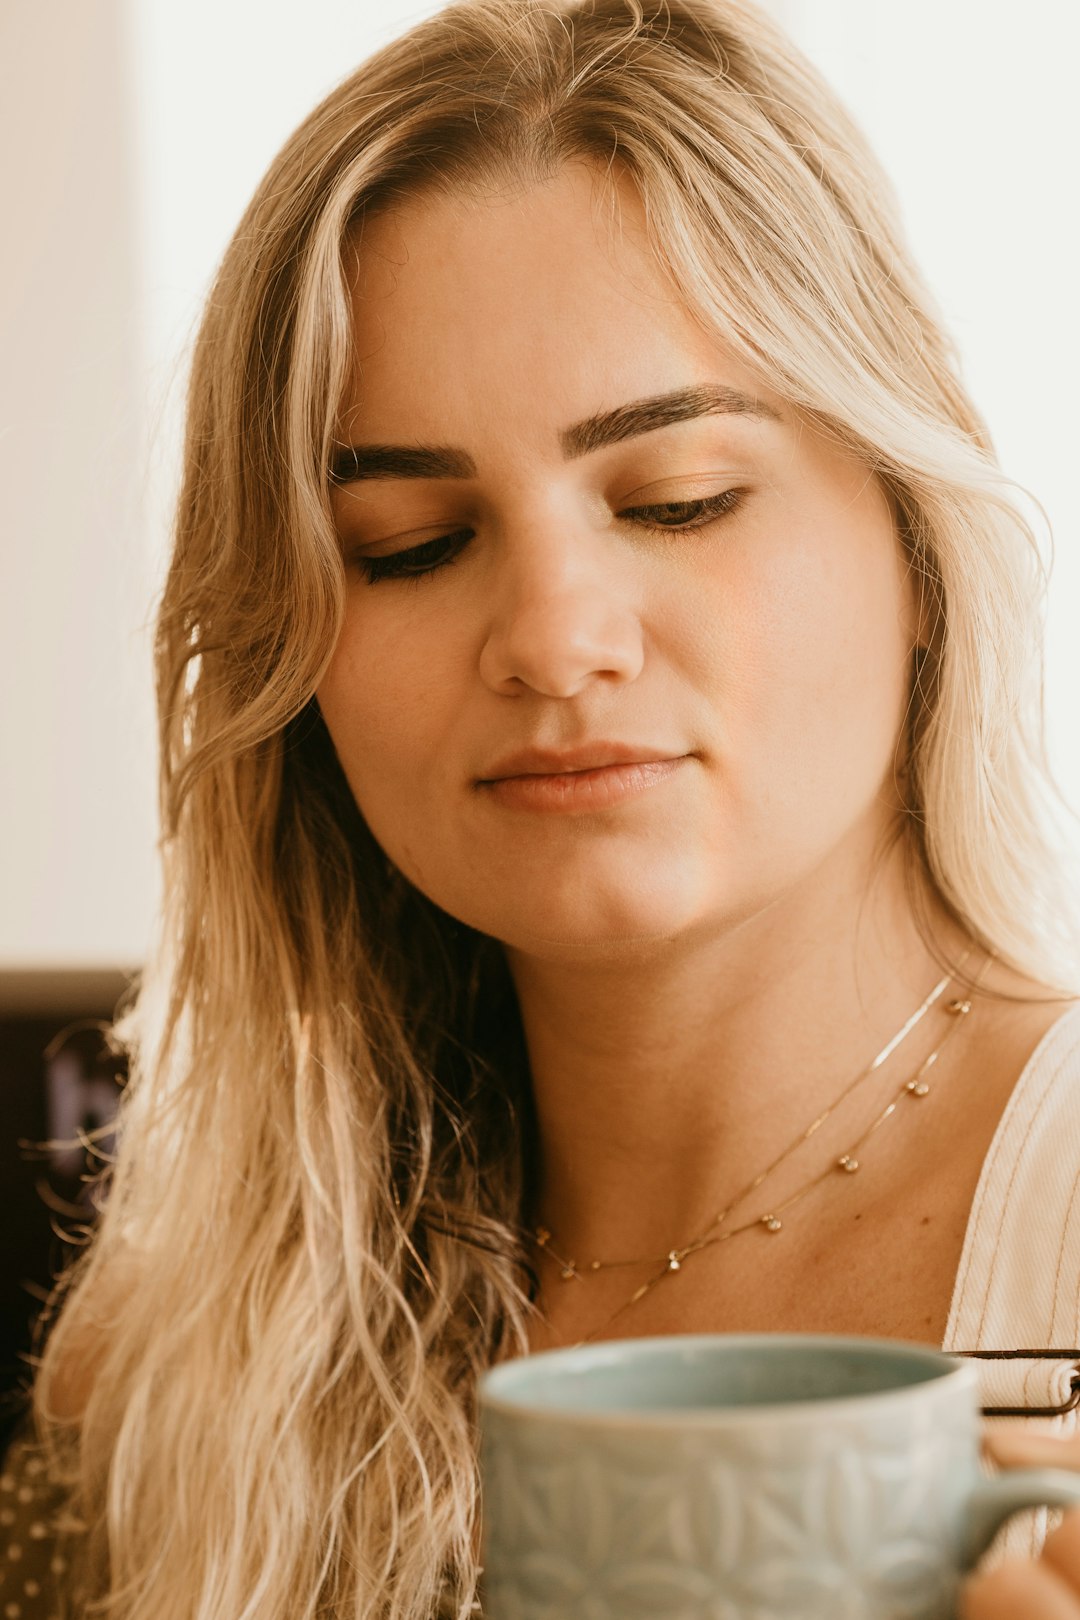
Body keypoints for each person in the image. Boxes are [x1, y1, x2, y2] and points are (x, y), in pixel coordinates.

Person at [4, 0, 1080, 1615]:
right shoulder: (162, 1375)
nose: (557, 639)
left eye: (677, 500)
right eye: (409, 542)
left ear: (920, 550)